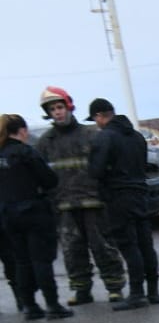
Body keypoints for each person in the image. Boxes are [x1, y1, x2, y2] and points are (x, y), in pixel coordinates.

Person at [34, 86, 126, 306]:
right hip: (64, 205)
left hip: (94, 202)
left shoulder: (92, 135)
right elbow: (41, 175)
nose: (57, 112)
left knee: (103, 247)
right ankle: (81, 289)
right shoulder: (45, 142)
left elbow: (108, 168)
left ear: (68, 107)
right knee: (72, 251)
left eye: (60, 107)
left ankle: (114, 287)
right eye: (52, 109)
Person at [87, 98, 159, 310]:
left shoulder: (105, 137)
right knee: (146, 244)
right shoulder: (137, 136)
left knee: (129, 245)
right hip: (140, 194)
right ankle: (153, 291)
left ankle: (137, 293)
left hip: (118, 197)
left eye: (95, 119)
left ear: (100, 116)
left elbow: (96, 170)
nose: (96, 123)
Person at [0, 113, 69, 318]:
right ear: (22, 131)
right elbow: (49, 180)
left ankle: (29, 305)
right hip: (33, 211)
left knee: (21, 261)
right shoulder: (25, 152)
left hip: (8, 214)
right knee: (41, 260)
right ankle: (52, 305)